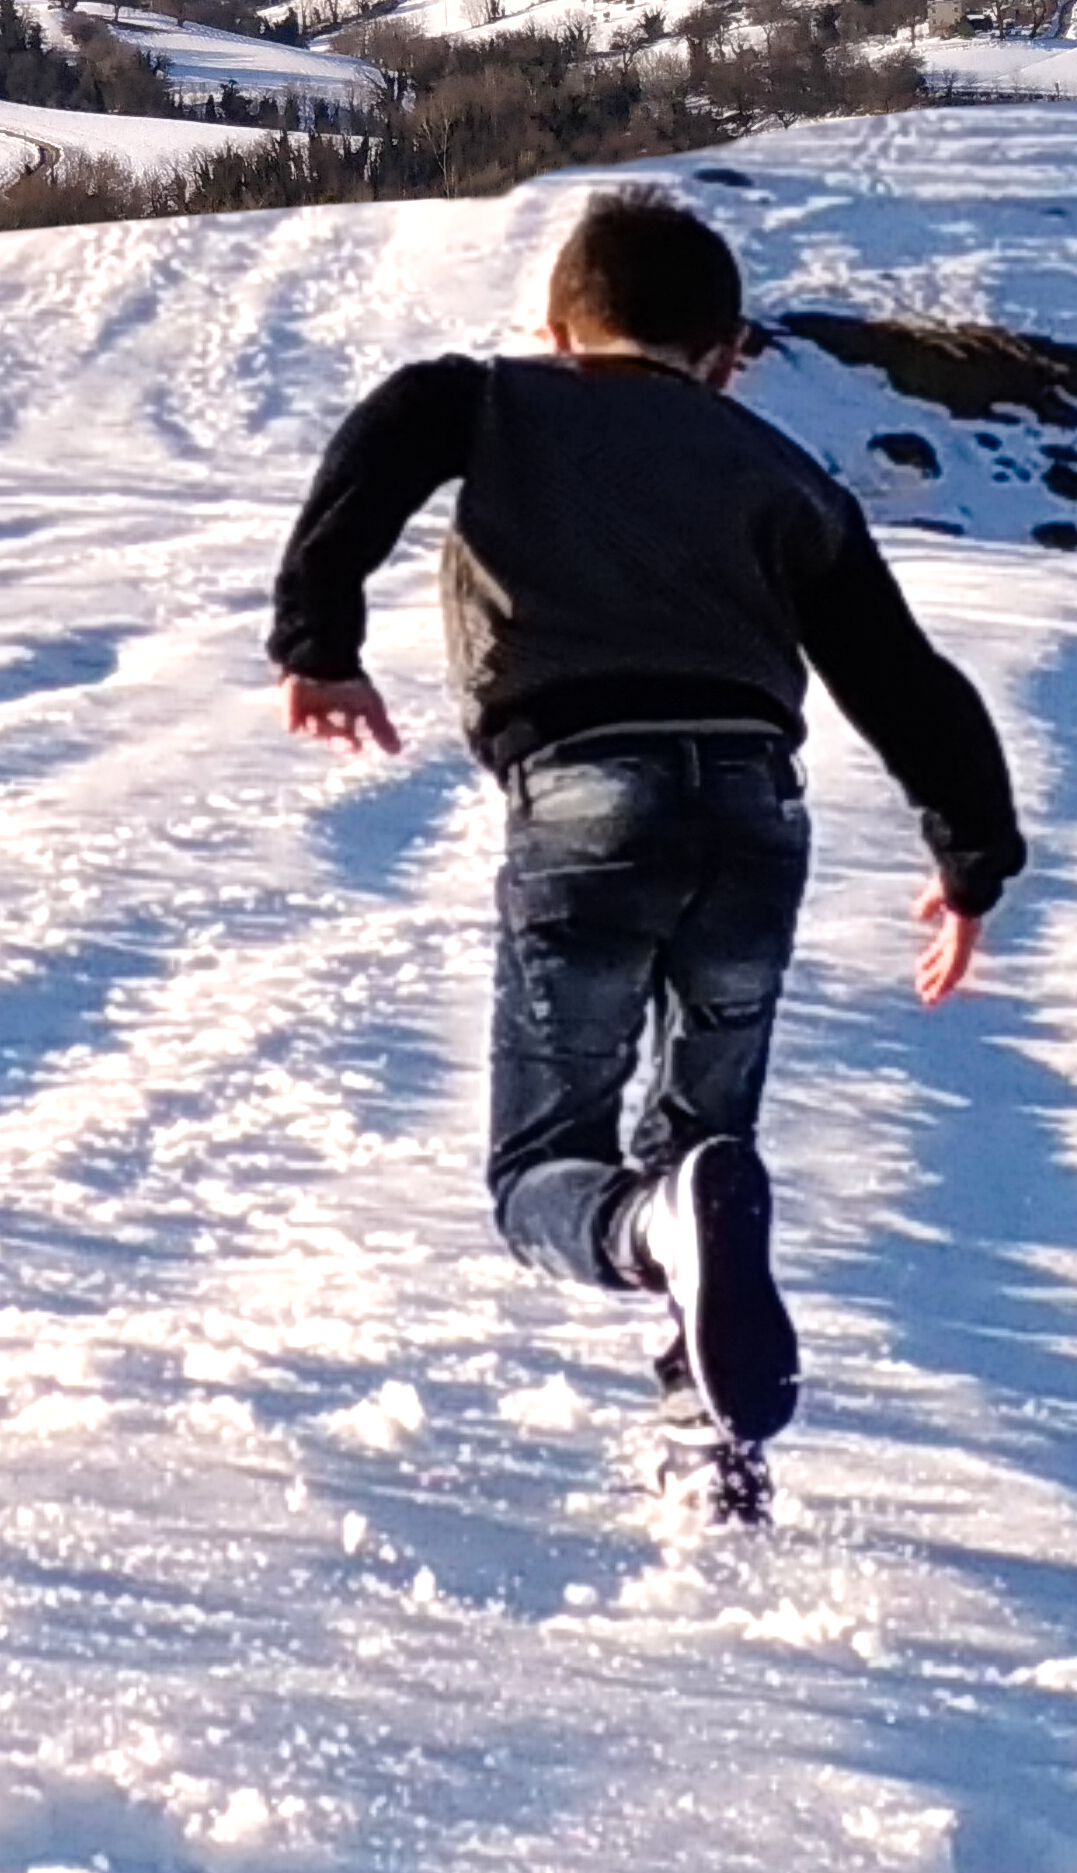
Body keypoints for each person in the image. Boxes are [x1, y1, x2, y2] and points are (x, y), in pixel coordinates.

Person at [265, 187, 1024, 1522]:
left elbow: (384, 436)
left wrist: (318, 639)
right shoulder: (781, 468)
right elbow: (904, 679)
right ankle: (713, 1451)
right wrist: (970, 862)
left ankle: (644, 1248)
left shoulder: (496, 399)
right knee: (703, 1142)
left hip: (585, 801)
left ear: (557, 330)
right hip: (752, 814)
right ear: (727, 355)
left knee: (543, 1175)